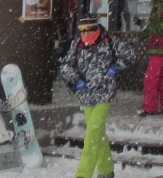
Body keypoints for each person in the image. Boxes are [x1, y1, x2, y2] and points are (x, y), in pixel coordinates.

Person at [58, 17, 142, 178]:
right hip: (85, 96)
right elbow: (65, 66)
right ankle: (106, 170)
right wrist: (75, 79)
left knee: (92, 134)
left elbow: (130, 55)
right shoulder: (77, 44)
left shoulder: (109, 41)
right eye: (81, 30)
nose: (85, 33)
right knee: (98, 133)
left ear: (96, 28)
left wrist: (115, 68)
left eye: (88, 29)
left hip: (104, 93)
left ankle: (83, 174)